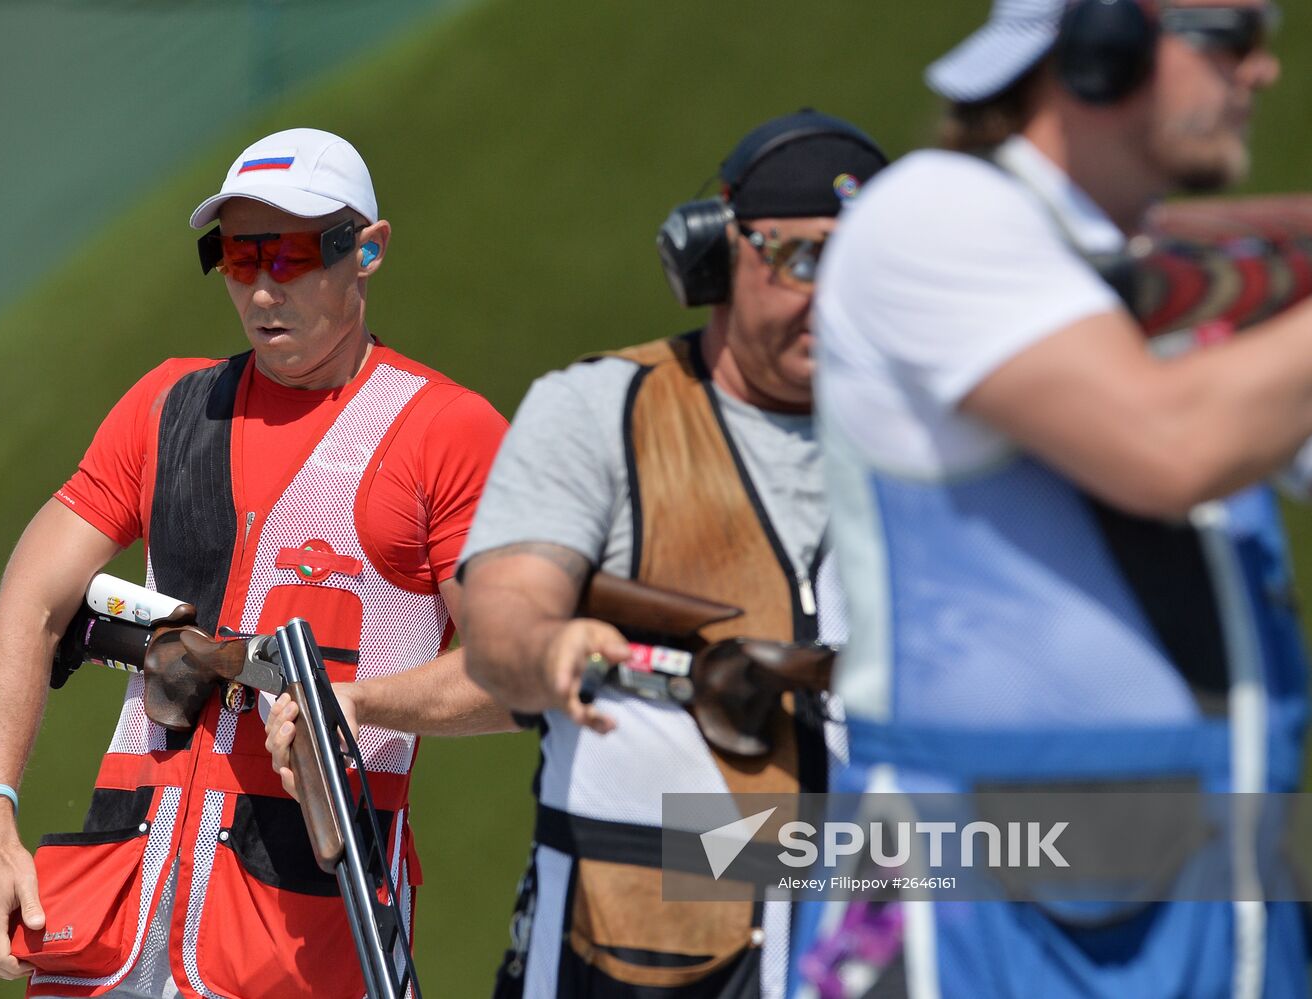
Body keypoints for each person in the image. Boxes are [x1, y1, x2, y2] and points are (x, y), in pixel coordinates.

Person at [798, 1, 1309, 997]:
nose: (1260, 73)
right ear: (1097, 49)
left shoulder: (1157, 271)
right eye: (1227, 38)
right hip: (989, 912)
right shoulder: (932, 216)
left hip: (1223, 887)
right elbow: (1167, 445)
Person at [0, 127, 513, 999]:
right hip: (110, 939)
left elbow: (522, 672)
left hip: (307, 952)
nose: (260, 284)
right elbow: (25, 610)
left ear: (366, 249)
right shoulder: (165, 404)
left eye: (289, 253)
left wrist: (359, 704)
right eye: (235, 254)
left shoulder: (447, 432)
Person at [457, 111, 889, 998]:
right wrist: (549, 648)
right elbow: (499, 625)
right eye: (805, 260)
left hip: (859, 942)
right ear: (717, 254)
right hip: (631, 949)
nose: (835, 297)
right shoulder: (596, 409)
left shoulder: (931, 443)